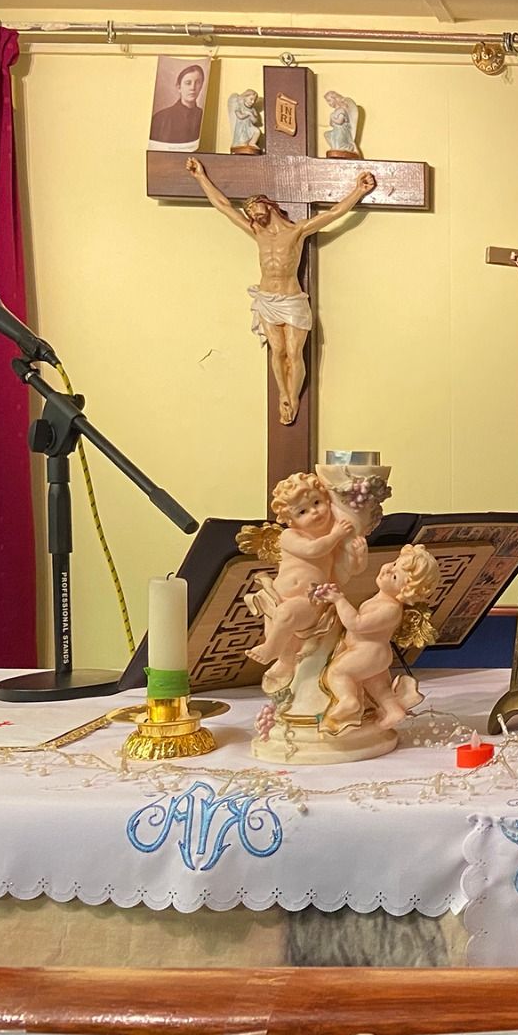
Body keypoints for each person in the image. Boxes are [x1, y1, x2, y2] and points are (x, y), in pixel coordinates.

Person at [184, 158, 377, 425]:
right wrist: (200, 177)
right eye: (248, 211)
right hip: (267, 299)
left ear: (268, 204)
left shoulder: (297, 231)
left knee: (294, 352)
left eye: (253, 207)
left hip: (292, 299)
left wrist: (358, 190)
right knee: (277, 351)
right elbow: (224, 206)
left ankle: (294, 397)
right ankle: (283, 395)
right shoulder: (257, 232)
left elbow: (333, 214)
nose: (251, 214)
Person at [244, 472, 365, 689]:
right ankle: (284, 663)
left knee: (286, 615)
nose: (314, 512)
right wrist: (335, 535)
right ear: (291, 520)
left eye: (317, 502)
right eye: (302, 511)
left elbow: (346, 572)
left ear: (327, 500)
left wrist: (359, 556)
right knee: (286, 638)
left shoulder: (331, 543)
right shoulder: (290, 536)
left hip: (310, 602)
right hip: (277, 597)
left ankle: (270, 650)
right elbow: (311, 550)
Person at [317, 543, 439, 733]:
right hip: (376, 655)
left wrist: (339, 600)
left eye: (395, 576)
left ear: (405, 592)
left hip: (368, 652)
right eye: (395, 563)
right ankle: (393, 711)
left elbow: (356, 623)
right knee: (378, 687)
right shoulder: (382, 599)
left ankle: (348, 700)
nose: (388, 569)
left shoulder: (390, 609)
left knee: (338, 673)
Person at [150, 63, 206, 145]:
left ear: (201, 86)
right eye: (188, 83)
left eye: (197, 82)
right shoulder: (160, 119)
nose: (193, 88)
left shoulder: (205, 117)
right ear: (179, 87)